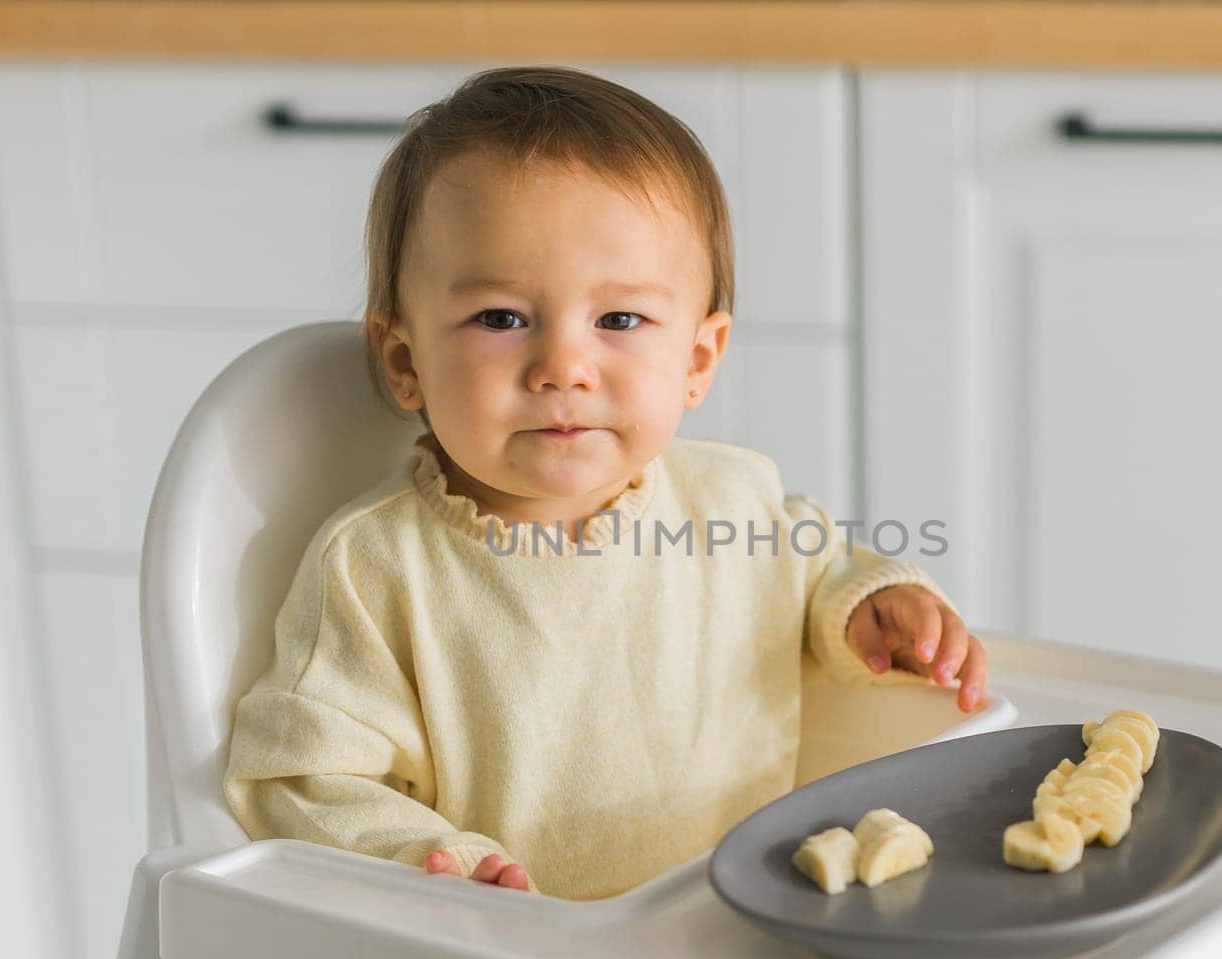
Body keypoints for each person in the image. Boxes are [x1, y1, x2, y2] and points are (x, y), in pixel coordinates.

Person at [222, 66, 990, 901]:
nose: (563, 367)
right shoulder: (374, 568)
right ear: (406, 361)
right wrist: (430, 865)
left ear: (697, 361)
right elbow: (296, 778)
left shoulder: (734, 502)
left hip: (742, 931)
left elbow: (816, 574)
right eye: (501, 318)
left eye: (619, 320)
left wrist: (875, 607)